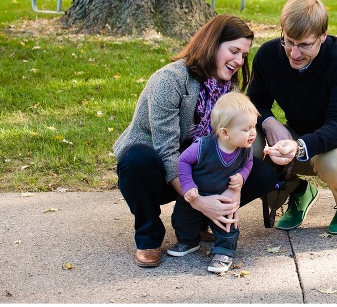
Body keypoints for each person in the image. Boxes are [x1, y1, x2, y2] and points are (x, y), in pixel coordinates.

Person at [113, 15, 278, 268]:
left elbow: (233, 140)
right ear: (212, 44)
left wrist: (234, 188)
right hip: (158, 170)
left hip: (199, 170)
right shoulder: (169, 80)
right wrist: (199, 201)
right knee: (136, 159)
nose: (238, 61)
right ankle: (148, 238)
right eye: (233, 51)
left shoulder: (227, 87)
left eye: (244, 55)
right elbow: (167, 152)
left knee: (264, 174)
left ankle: (199, 223)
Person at [247, 0, 337, 235]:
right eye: (288, 41)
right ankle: (297, 191)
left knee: (331, 160)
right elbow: (253, 102)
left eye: (305, 45)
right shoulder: (268, 55)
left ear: (323, 36)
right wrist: (269, 122)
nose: (294, 53)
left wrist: (298, 147)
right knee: (245, 142)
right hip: (304, 135)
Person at [169, 91, 258, 274]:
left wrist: (241, 177)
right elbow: (183, 161)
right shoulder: (203, 146)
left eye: (254, 127)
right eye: (246, 129)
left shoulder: (245, 149)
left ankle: (225, 251)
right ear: (225, 133)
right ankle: (188, 241)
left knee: (228, 224)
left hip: (222, 195)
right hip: (197, 193)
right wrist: (188, 187)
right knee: (183, 219)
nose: (253, 133)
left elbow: (248, 164)